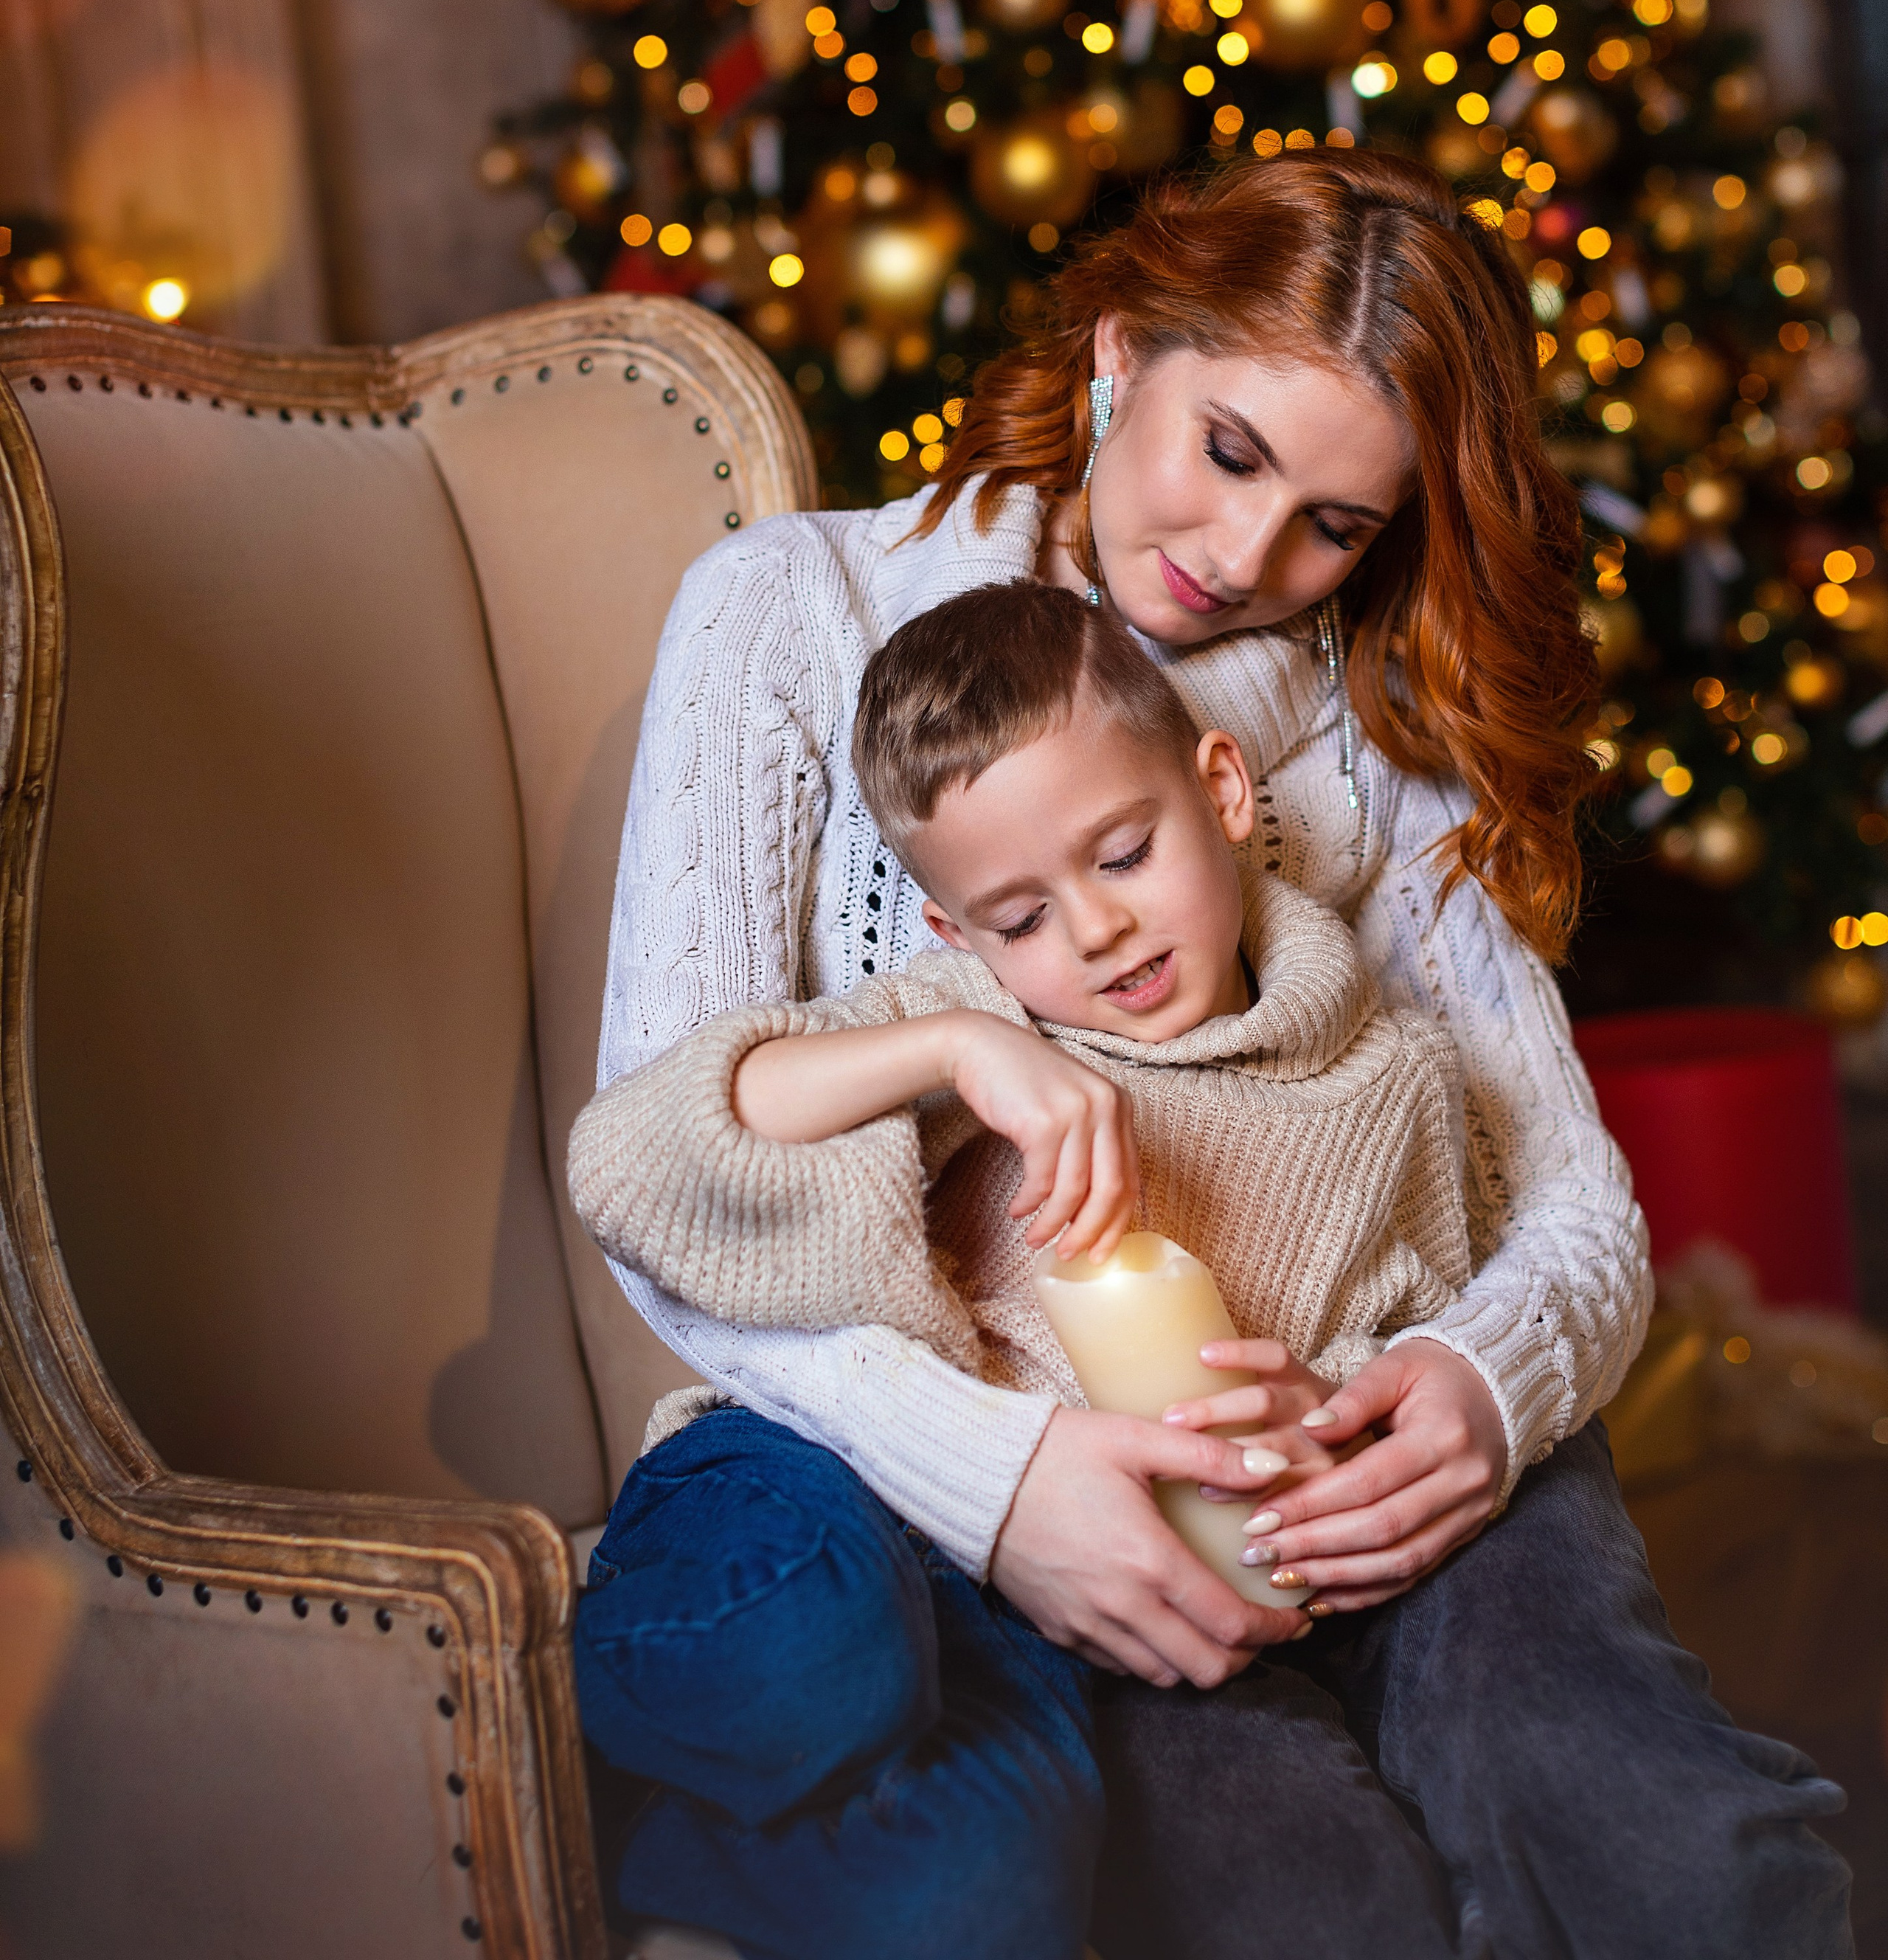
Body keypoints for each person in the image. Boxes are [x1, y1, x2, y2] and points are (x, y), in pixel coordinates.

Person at [589, 149, 1851, 1959]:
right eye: (1229, 451)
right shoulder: (788, 612)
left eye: (1331, 522)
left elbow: (1566, 1194)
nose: (1244, 559)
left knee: (1659, 1844)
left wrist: (1478, 1382)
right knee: (1295, 1893)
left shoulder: (1376, 717)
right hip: (1051, 1453)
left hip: (1367, 1414)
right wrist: (1001, 1481)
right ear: (1120, 354)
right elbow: (674, 1191)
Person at [569, 580, 1476, 1950]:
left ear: (1223, 789)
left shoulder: (1389, 1081)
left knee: (994, 1893)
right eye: (1020, 916)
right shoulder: (976, 1019)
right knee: (822, 1643)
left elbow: (1402, 1345)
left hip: (1034, 1617)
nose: (1096, 930)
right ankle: (596, 1690)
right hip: (826, 1480)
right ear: (959, 935)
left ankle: (656, 1838)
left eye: (1125, 853)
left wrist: (1321, 1423)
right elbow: (629, 1156)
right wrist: (959, 1049)